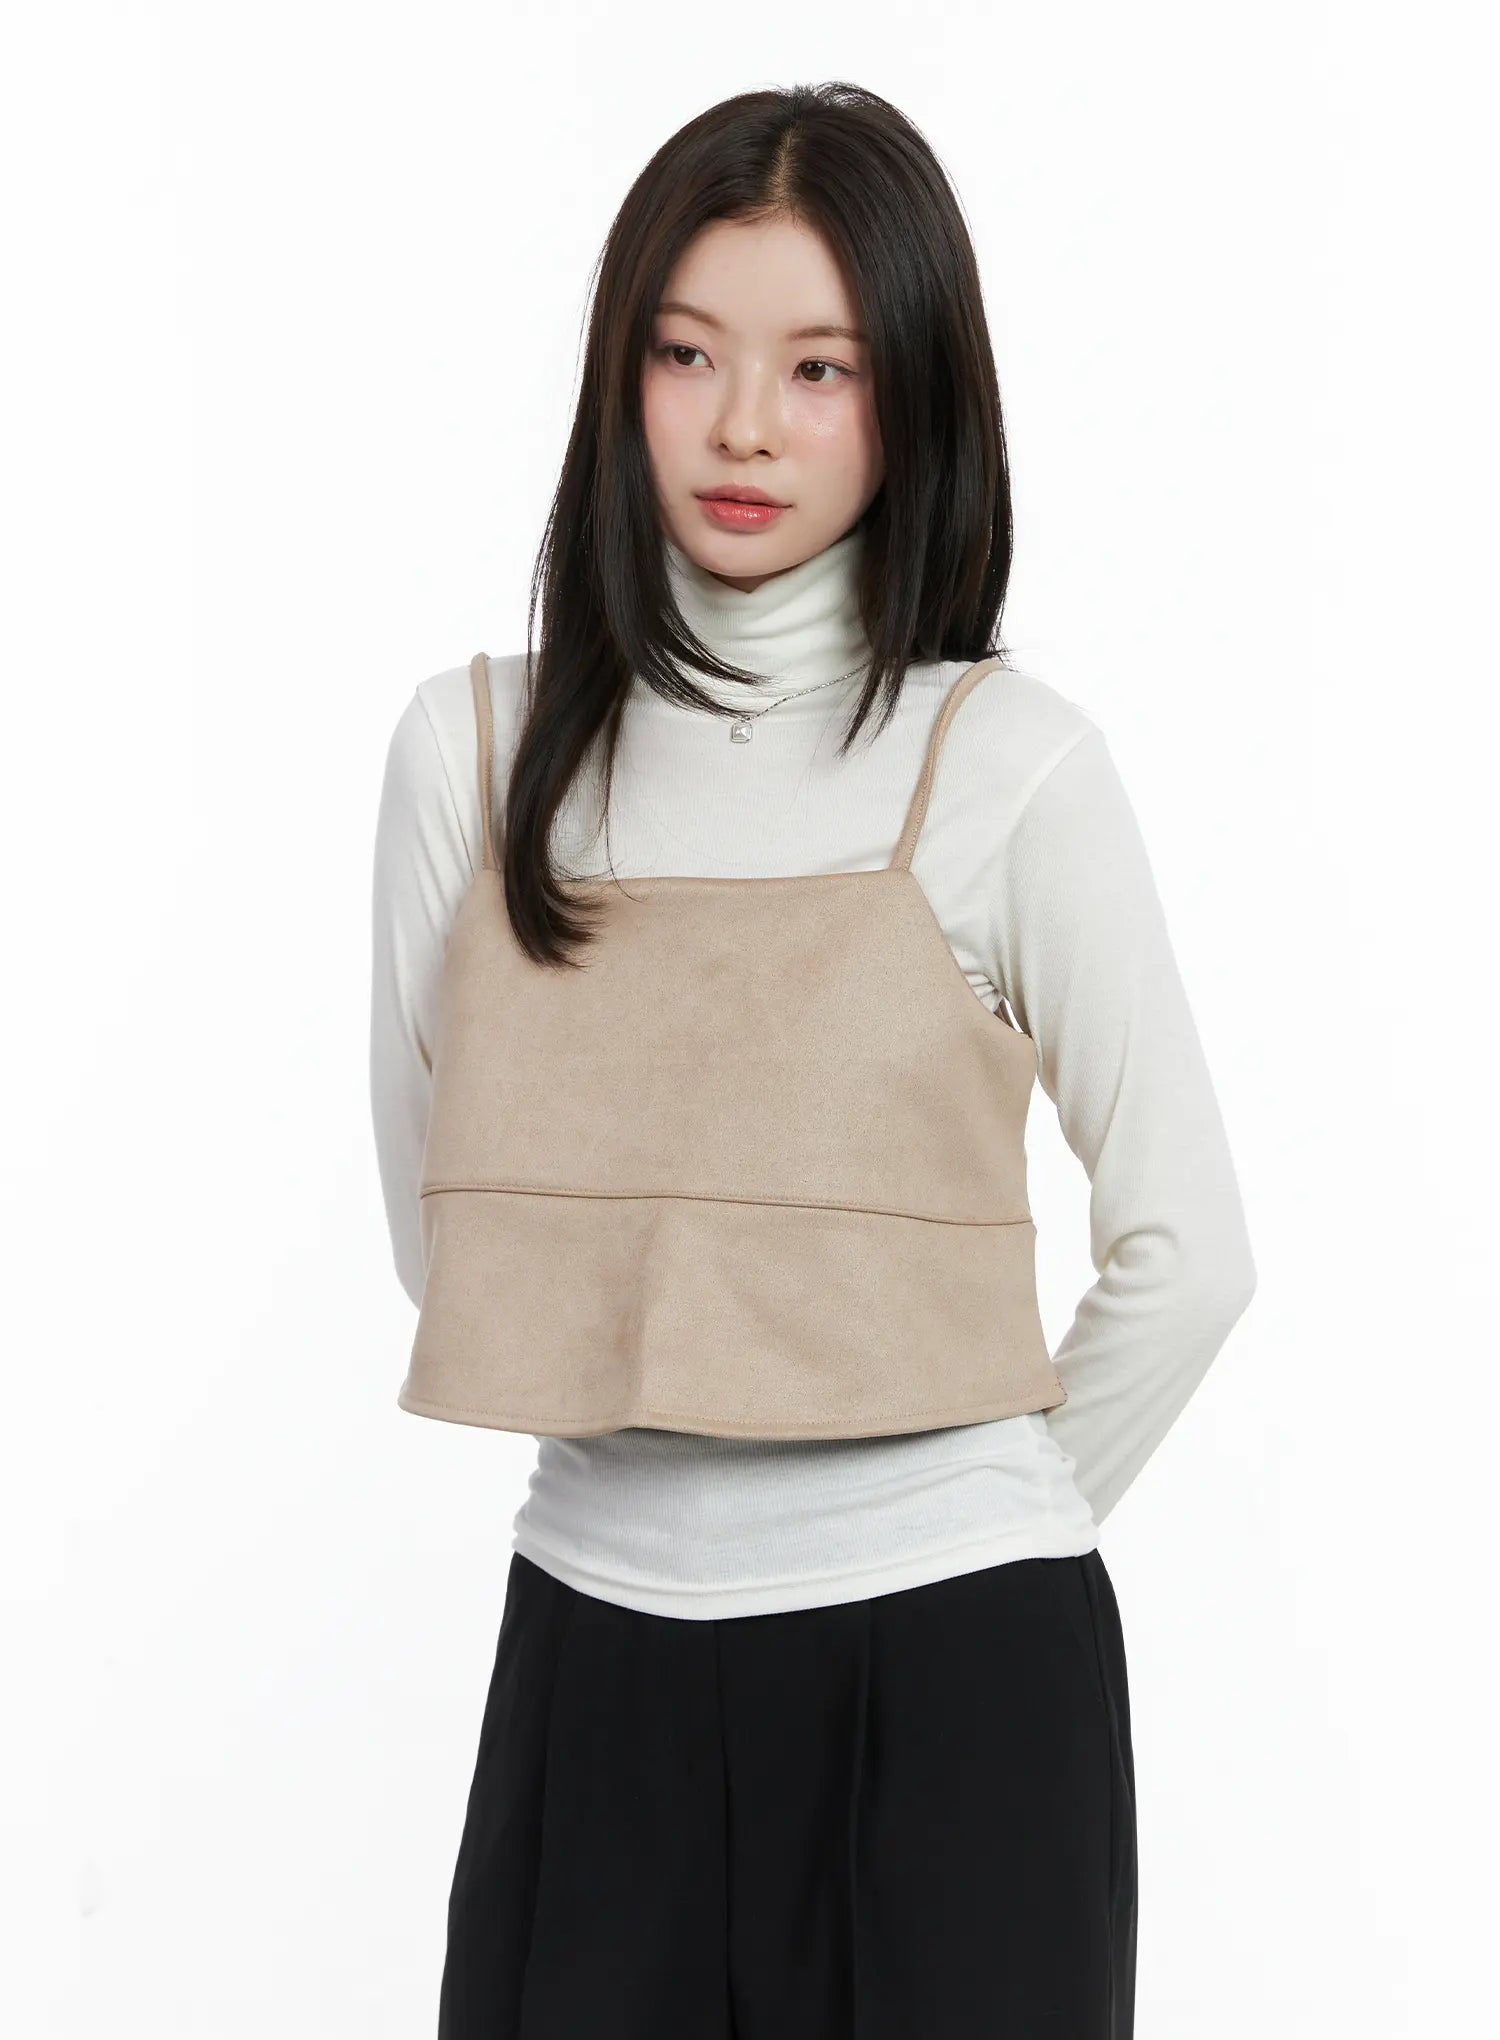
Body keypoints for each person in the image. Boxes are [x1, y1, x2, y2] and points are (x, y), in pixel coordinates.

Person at [369, 81, 1256, 2040]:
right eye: (686, 353)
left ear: (913, 391)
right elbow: (461, 1246)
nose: (744, 425)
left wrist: (967, 1521)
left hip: (960, 1690)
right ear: (619, 376)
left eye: (819, 367)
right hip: (592, 1662)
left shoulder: (1012, 767)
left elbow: (1192, 1253)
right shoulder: (472, 759)